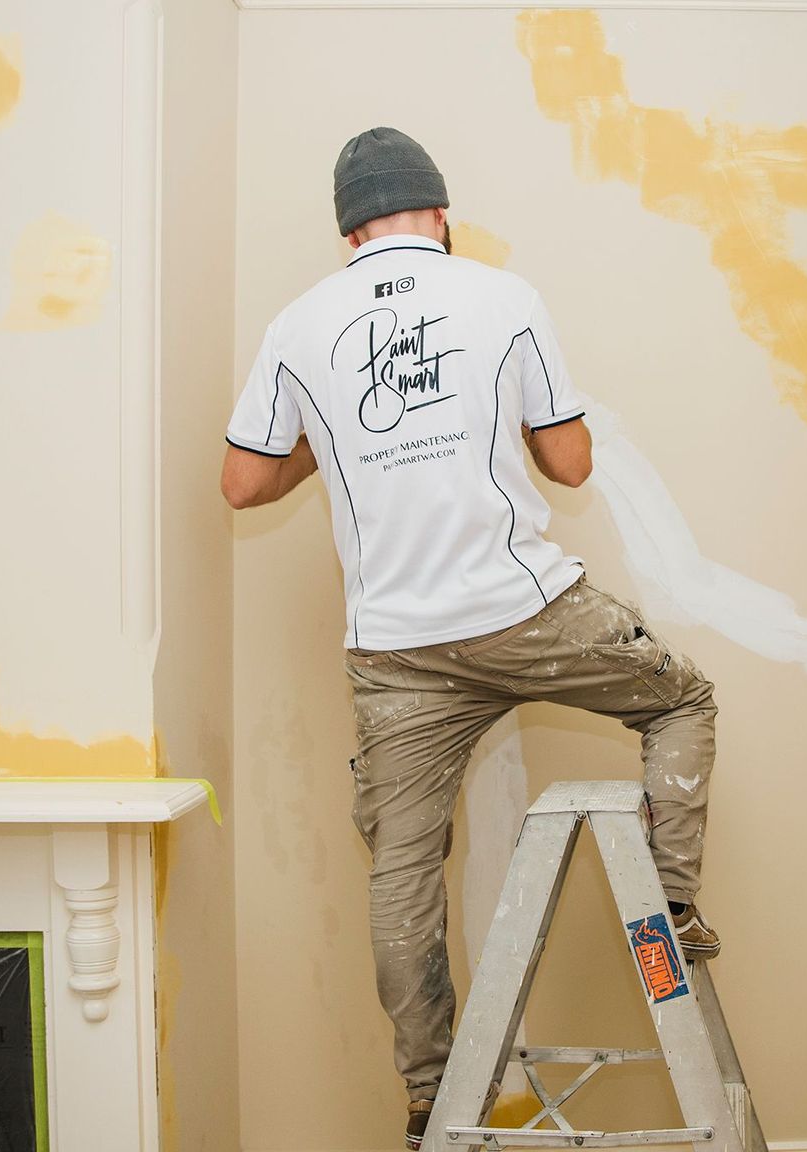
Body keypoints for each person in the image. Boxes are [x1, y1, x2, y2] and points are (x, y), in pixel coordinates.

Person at [221, 127, 720, 1150]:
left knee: (403, 869)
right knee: (681, 696)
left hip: (395, 649)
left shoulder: (298, 323)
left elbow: (242, 482)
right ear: (439, 215)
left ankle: (426, 1094)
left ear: (347, 230)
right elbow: (571, 467)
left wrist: (343, 434)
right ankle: (667, 907)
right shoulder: (504, 296)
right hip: (524, 612)